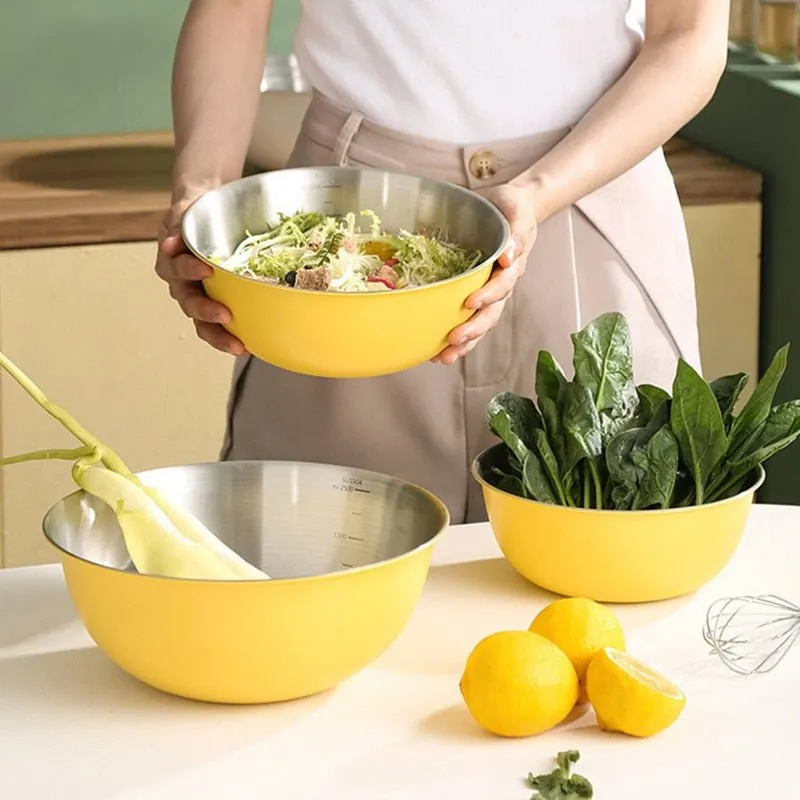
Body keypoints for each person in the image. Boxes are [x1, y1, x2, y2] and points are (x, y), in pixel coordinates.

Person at [155, 0, 729, 523]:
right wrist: (202, 196)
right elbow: (231, 9)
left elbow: (689, 36)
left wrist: (539, 191)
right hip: (354, 218)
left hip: (593, 195)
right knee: (308, 559)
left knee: (616, 560)